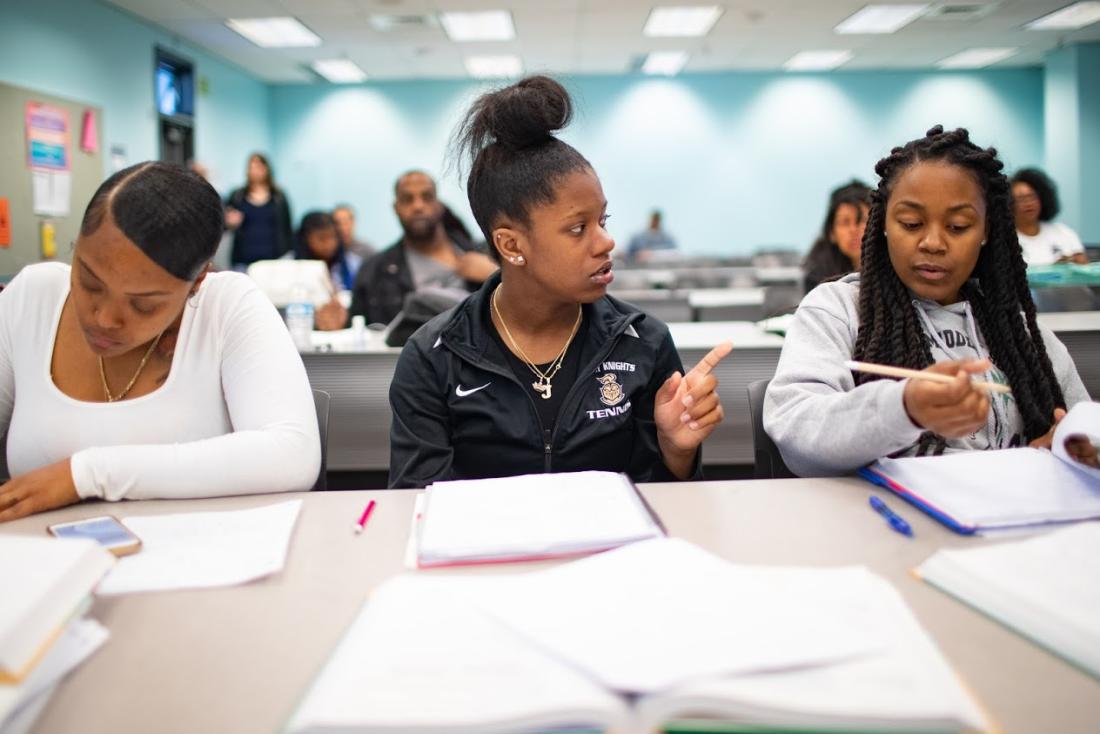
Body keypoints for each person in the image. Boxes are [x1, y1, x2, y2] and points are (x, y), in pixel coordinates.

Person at [387, 75, 732, 488]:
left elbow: (665, 503)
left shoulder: (645, 343)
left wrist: (677, 450)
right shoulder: (434, 357)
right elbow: (415, 504)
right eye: (577, 228)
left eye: (602, 220)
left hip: (615, 551)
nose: (606, 241)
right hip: (484, 552)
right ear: (511, 244)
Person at [0, 162, 320, 522]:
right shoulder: (32, 297)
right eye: (90, 283)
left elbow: (293, 454)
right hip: (40, 563)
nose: (104, 318)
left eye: (143, 304)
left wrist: (87, 474)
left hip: (196, 562)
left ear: (198, 281)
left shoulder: (225, 307)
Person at [765, 126, 1090, 478]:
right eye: (912, 223)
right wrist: (904, 408)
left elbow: (1082, 422)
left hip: (1010, 519)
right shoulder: (838, 310)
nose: (933, 242)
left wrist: (1067, 449)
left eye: (958, 226)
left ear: (986, 232)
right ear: (884, 222)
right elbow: (796, 432)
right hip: (882, 524)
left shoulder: (1017, 327)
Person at [347, 171, 497, 326]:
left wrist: (496, 274)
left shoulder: (485, 256)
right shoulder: (373, 272)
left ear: (439, 205)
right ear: (396, 208)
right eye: (407, 199)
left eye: (426, 197)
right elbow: (356, 329)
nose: (418, 206)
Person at [290, 210, 359, 331]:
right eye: (322, 238)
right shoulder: (288, 266)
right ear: (305, 238)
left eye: (333, 237)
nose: (329, 244)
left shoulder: (353, 264)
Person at [225, 153, 293, 269]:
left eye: (259, 166)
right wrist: (230, 223)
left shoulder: (279, 197)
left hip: (275, 260)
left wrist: (289, 254)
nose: (256, 171)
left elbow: (287, 226)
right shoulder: (237, 196)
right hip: (244, 261)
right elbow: (223, 225)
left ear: (267, 169)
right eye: (252, 167)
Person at [802, 180, 872, 293]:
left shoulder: (897, 270)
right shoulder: (818, 280)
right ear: (832, 233)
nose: (853, 230)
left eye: (862, 220)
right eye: (845, 222)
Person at [1010, 168, 1088, 265]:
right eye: (1021, 199)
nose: (1028, 204)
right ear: (1009, 204)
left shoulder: (1062, 232)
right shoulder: (1006, 238)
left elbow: (1083, 265)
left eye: (1032, 197)